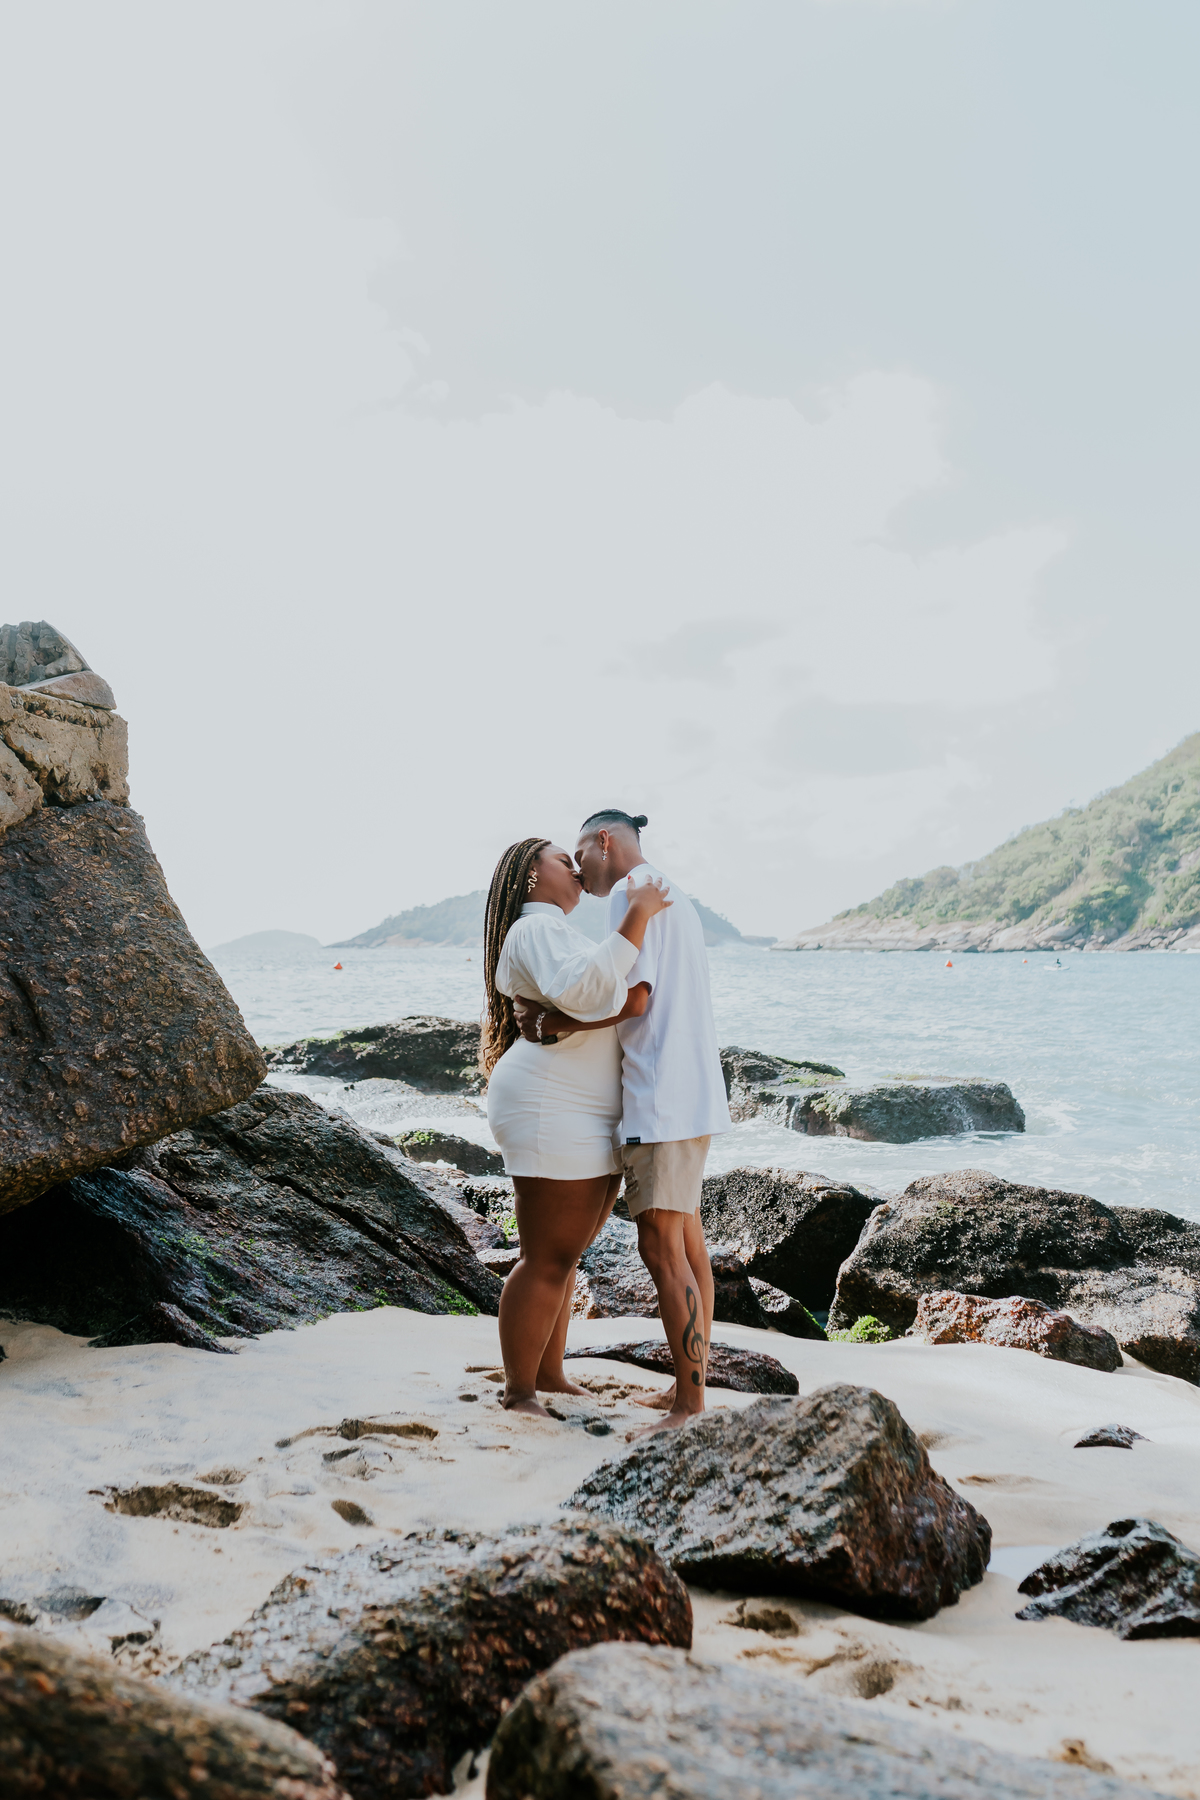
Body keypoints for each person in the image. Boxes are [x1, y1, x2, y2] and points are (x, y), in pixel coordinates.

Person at [516, 810, 730, 1436]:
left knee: (662, 1251)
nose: (579, 870)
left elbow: (634, 999)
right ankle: (685, 1389)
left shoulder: (632, 899)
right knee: (690, 1247)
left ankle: (689, 1406)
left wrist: (560, 1025)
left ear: (602, 840)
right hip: (693, 1094)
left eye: (579, 853)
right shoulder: (674, 895)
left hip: (659, 1097)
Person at [482, 835, 671, 1417]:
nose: (573, 865)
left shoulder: (559, 934)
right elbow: (592, 992)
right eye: (560, 858)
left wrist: (577, 1014)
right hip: (549, 1103)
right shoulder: (533, 928)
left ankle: (550, 1374)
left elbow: (591, 998)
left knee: (563, 1254)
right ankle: (518, 1392)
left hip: (580, 1106)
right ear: (530, 878)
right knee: (546, 1255)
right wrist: (638, 916)